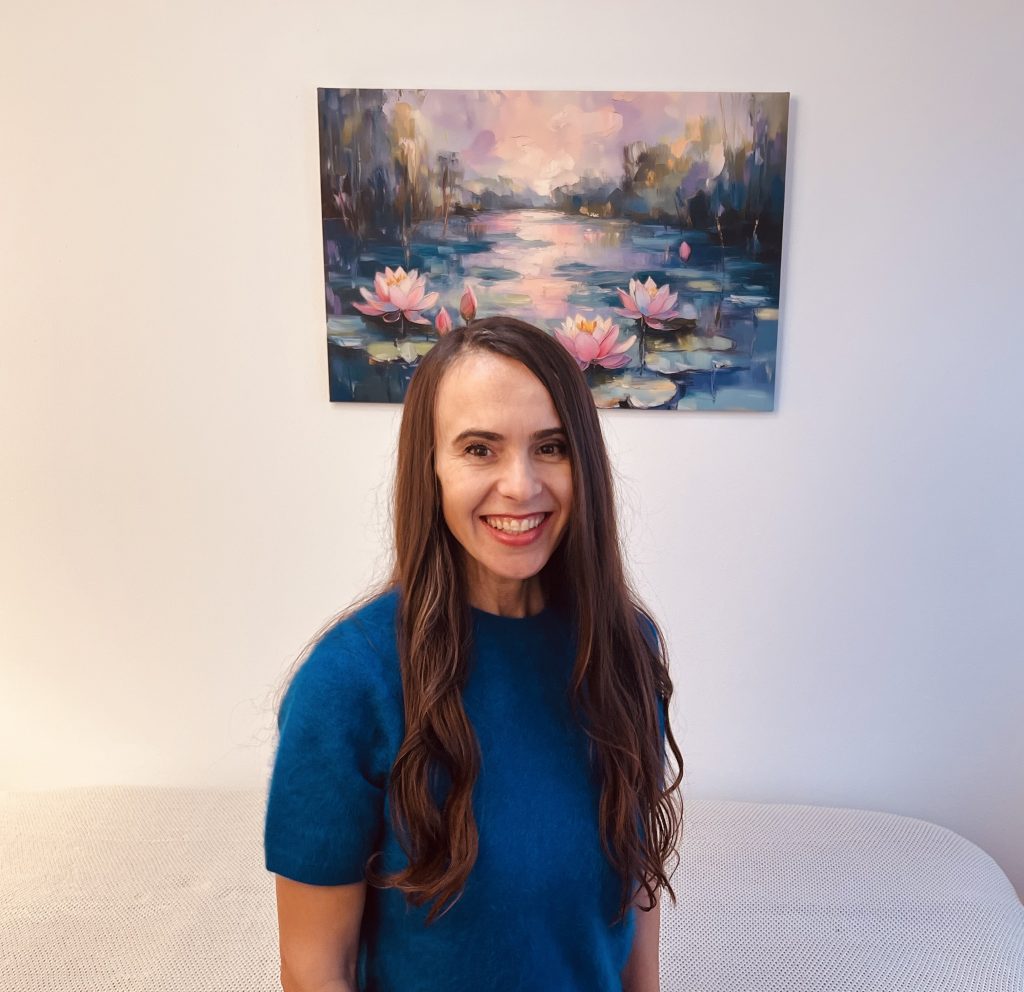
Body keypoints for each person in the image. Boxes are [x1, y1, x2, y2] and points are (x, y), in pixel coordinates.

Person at [264, 316, 684, 992]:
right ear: (431, 466)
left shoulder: (626, 649)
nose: (520, 485)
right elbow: (315, 970)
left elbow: (634, 892)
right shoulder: (345, 684)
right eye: (480, 449)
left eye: (551, 446)